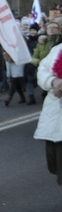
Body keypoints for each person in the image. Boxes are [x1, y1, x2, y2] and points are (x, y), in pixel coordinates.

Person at [33, 41, 62, 184]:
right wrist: (53, 82)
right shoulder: (57, 49)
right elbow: (42, 70)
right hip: (55, 115)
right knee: (55, 164)